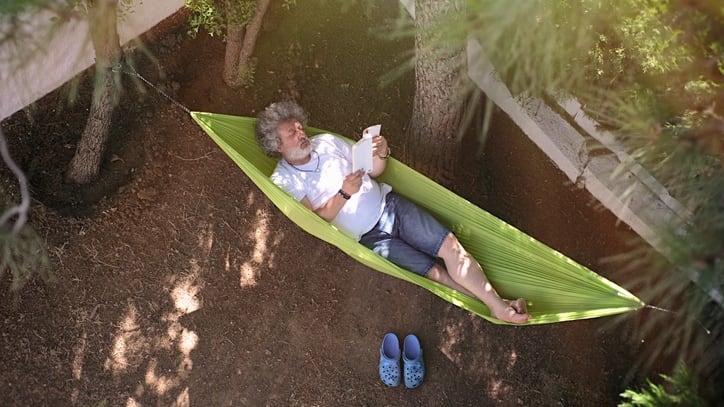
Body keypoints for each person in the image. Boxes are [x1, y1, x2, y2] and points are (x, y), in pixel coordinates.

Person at [255, 101, 530, 324]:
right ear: (277, 146)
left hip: (390, 207)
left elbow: (372, 170)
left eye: (299, 127)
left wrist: (381, 153)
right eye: (291, 133)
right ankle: (497, 306)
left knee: (449, 246)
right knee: (434, 272)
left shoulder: (326, 142)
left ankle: (498, 306)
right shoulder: (284, 179)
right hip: (369, 239)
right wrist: (344, 194)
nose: (301, 133)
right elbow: (315, 221)